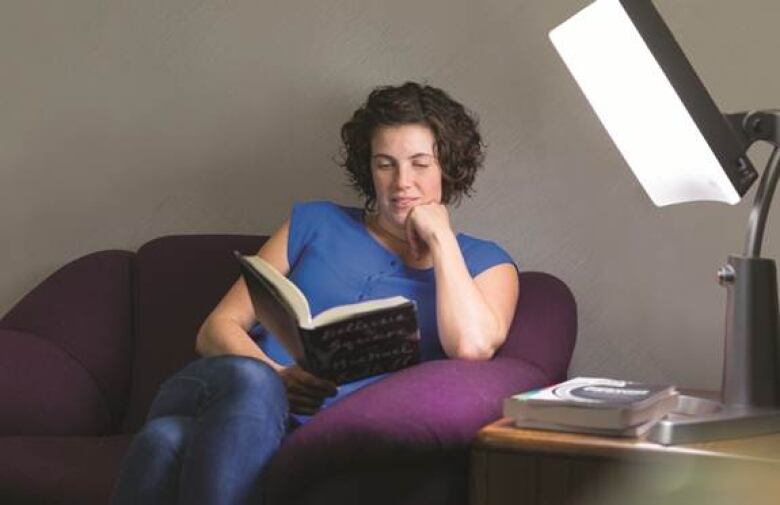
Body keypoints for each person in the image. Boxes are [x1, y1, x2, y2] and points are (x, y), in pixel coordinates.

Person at [111, 81, 519, 505]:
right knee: (252, 381)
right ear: (368, 168)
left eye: (420, 164)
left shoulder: (485, 262)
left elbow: (471, 346)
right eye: (385, 164)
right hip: (227, 387)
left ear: (448, 167)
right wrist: (277, 379)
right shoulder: (314, 221)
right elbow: (216, 328)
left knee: (164, 440)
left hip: (297, 433)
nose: (402, 182)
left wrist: (441, 238)